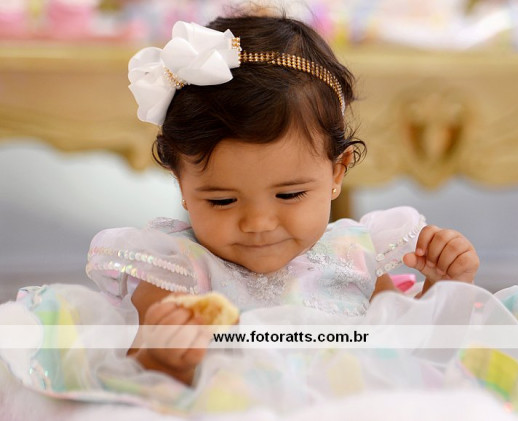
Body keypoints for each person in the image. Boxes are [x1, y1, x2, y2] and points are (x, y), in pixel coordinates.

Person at [85, 14, 477, 386]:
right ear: (182, 184)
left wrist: (443, 289)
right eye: (222, 200)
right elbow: (129, 380)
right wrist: (163, 359)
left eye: (289, 194)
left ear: (336, 172)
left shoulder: (355, 259)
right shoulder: (178, 273)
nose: (258, 223)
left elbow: (408, 357)